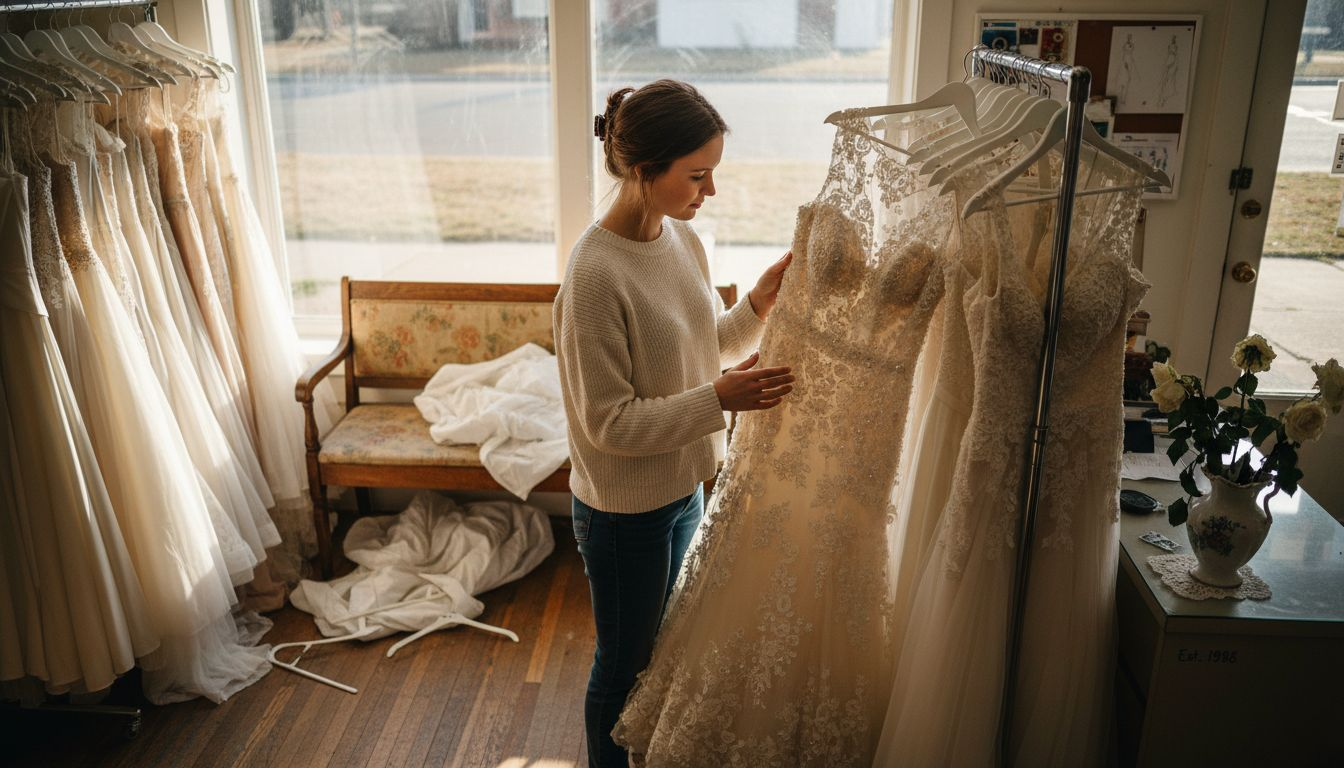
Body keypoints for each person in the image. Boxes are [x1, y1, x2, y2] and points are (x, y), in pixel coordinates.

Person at [553, 79, 793, 768]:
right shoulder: (594, 277)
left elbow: (697, 351)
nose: (708, 192)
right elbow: (609, 424)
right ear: (641, 169)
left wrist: (757, 305)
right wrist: (719, 401)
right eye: (696, 175)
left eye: (712, 173)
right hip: (624, 513)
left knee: (658, 652)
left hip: (686, 488)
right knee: (622, 662)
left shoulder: (683, 241)